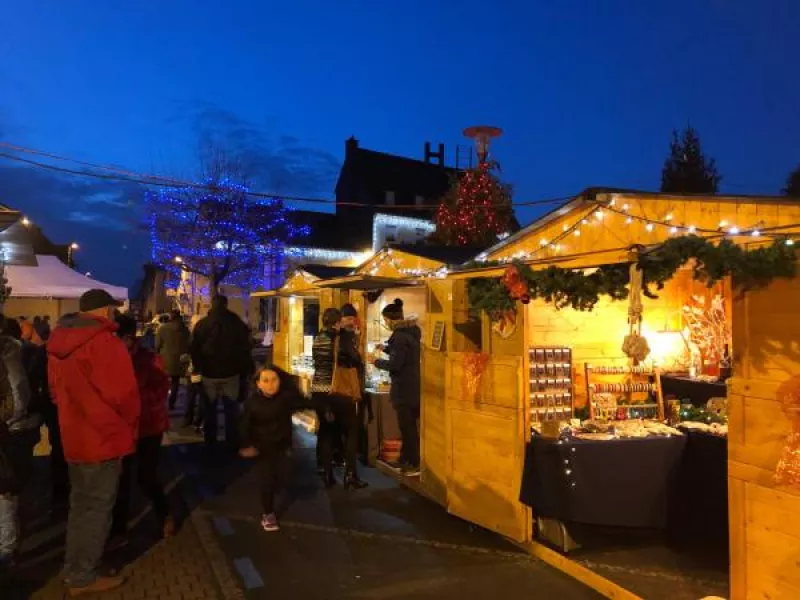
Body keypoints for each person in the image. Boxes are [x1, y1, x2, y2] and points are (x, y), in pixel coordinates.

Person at [47, 289, 140, 595]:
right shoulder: (104, 343)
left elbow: (54, 390)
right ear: (103, 311)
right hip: (103, 437)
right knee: (98, 508)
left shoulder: (57, 343)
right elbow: (124, 395)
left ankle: (74, 568)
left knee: (80, 506)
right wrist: (130, 428)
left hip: (74, 435)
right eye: (111, 310)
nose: (113, 314)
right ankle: (83, 575)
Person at [109, 315, 174, 547]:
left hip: (148, 427)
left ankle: (164, 514)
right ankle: (119, 530)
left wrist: (135, 397)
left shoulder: (149, 359)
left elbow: (161, 390)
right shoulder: (110, 359)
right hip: (122, 429)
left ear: (128, 337)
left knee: (147, 478)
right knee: (121, 480)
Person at [239, 366, 315, 532]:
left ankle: (275, 490)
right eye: (265, 381)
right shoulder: (252, 403)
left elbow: (305, 403)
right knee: (266, 481)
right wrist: (246, 445)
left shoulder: (285, 399)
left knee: (284, 476)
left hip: (282, 446)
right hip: (262, 448)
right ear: (258, 384)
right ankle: (268, 513)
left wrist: (324, 405)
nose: (270, 384)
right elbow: (244, 426)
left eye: (274, 380)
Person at [311, 308, 367, 489]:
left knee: (327, 431)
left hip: (318, 390)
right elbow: (354, 360)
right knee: (351, 431)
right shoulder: (339, 339)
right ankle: (350, 475)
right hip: (338, 391)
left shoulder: (317, 338)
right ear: (337, 322)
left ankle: (327, 474)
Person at [0, 314, 38, 571]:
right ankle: (7, 548)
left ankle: (7, 549)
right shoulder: (12, 351)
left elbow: (18, 394)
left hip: (9, 429)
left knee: (6, 491)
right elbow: (19, 393)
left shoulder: (10, 352)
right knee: (6, 492)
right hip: (10, 429)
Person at [191, 295, 252, 450]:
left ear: (212, 305)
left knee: (209, 409)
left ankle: (210, 441)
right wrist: (245, 371)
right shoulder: (237, 323)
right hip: (231, 373)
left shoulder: (202, 324)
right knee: (231, 410)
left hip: (209, 373)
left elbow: (194, 349)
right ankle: (231, 442)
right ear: (226, 305)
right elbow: (245, 348)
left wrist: (197, 369)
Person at [369, 299, 421, 476]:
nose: (385, 324)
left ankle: (413, 463)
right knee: (410, 426)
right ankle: (406, 458)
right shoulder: (412, 332)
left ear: (391, 319)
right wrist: (385, 348)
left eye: (385, 320)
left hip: (404, 389)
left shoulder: (399, 337)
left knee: (407, 427)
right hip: (414, 386)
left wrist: (374, 361)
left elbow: (396, 365)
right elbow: (404, 354)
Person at [340, 304, 373, 464]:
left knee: (355, 421)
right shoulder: (343, 337)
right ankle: (350, 460)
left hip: (353, 385)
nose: (351, 321)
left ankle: (352, 455)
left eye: (352, 318)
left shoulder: (352, 335)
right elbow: (353, 360)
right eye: (348, 318)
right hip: (347, 386)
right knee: (350, 423)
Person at [156, 310, 190, 411]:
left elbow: (157, 345)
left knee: (162, 382)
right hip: (180, 360)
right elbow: (188, 344)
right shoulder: (185, 330)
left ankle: (161, 403)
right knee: (175, 383)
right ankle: (171, 403)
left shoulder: (163, 329)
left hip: (165, 360)